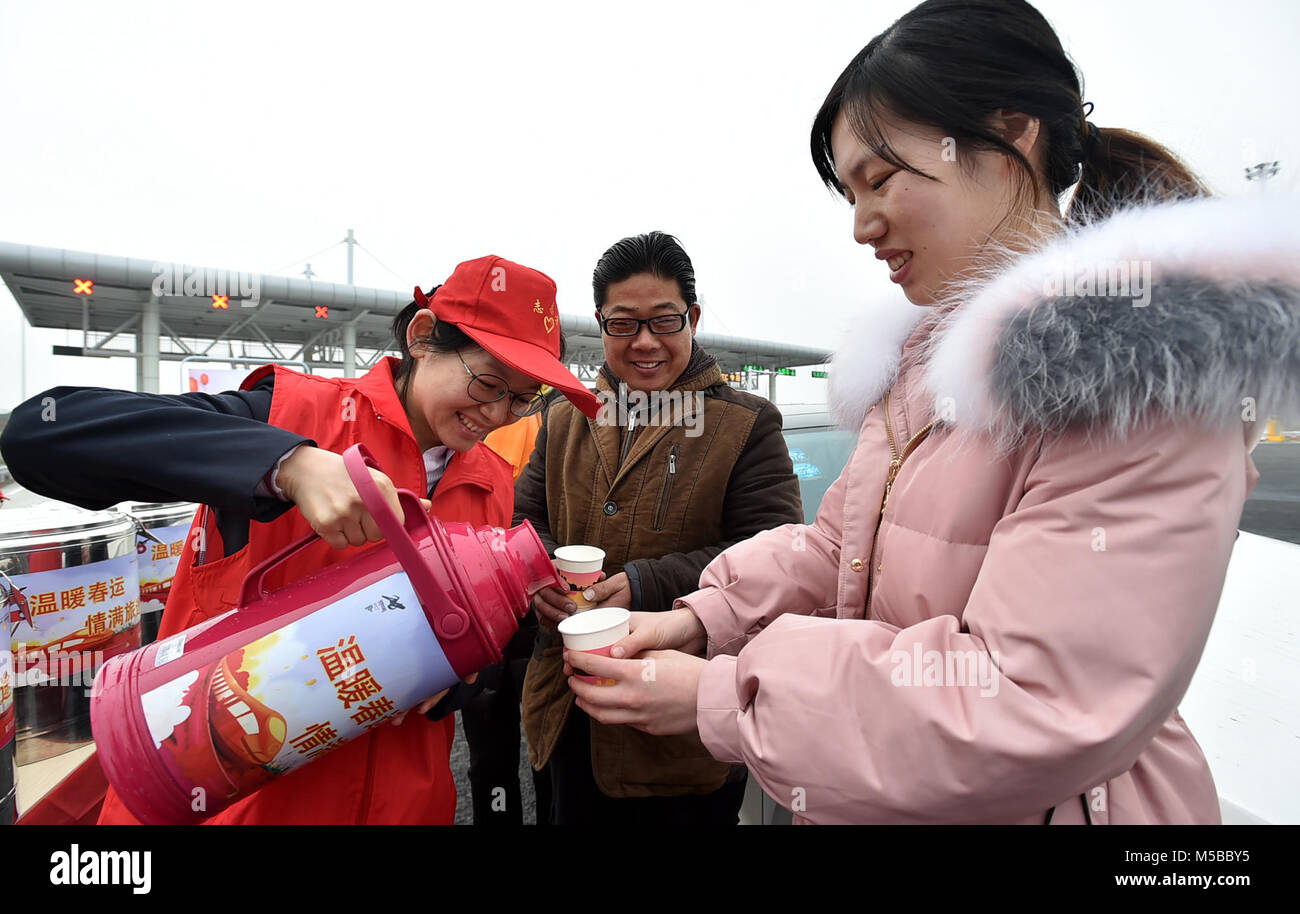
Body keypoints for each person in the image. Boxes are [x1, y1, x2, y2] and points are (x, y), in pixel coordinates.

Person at [565, 0, 1300, 824]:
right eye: (848, 192)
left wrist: (732, 695)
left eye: (879, 179)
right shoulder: (919, 364)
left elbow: (1033, 698)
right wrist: (703, 620)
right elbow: (835, 546)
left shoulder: (1136, 370)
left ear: (1013, 132)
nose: (859, 225)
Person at [0, 255, 598, 824]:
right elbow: (42, 433)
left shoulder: (492, 481)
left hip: (406, 802)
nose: (498, 415)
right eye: (487, 382)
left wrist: (462, 677)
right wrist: (287, 465)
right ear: (421, 336)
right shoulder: (291, 413)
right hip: (228, 793)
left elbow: (481, 653)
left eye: (522, 400)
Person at [514, 231, 803, 824]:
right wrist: (539, 574)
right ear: (601, 323)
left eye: (663, 321)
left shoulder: (744, 424)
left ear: (692, 318)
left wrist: (646, 583)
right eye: (623, 323)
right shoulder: (566, 415)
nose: (644, 342)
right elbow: (526, 517)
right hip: (564, 709)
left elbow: (772, 551)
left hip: (679, 733)